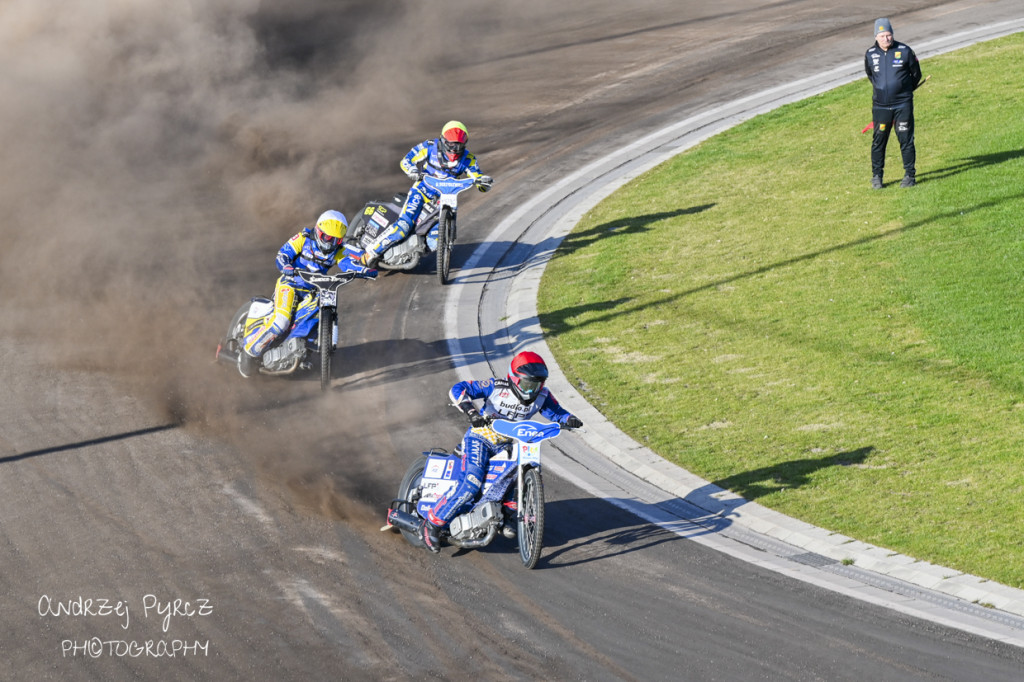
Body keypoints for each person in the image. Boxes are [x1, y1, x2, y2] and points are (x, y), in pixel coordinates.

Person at [418, 350, 583, 552]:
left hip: (507, 445)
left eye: (537, 385)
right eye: (528, 384)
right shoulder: (496, 387)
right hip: (480, 439)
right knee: (471, 483)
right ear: (514, 378)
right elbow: (459, 388)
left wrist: (568, 420)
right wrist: (471, 410)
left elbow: (555, 412)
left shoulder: (542, 395)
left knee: (514, 474)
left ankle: (506, 514)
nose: (532, 390)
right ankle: (431, 524)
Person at [238, 210, 371, 377]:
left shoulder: (338, 250)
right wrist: (286, 267)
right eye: (327, 237)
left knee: (316, 314)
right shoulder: (303, 238)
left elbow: (348, 263)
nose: (330, 243)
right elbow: (283, 254)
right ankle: (249, 352)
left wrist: (365, 270)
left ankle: (302, 349)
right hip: (290, 285)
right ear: (318, 230)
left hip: (314, 289)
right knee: (281, 321)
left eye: (335, 240)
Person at [359, 120, 492, 267]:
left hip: (445, 198)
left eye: (459, 145)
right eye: (452, 145)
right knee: (403, 226)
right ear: (443, 140)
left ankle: (424, 247)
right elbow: (406, 160)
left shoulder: (468, 159)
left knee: (434, 242)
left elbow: (479, 178)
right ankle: (371, 252)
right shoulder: (429, 146)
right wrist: (412, 170)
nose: (455, 150)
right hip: (422, 191)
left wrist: (483, 183)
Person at [865, 17, 923, 189]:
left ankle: (909, 176)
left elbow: (916, 74)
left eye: (888, 35)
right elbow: (871, 76)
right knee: (879, 141)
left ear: (893, 34)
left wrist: (904, 92)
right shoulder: (870, 54)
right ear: (876, 36)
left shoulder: (905, 51)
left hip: (902, 105)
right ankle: (877, 176)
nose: (886, 39)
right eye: (882, 36)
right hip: (881, 107)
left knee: (905, 140)